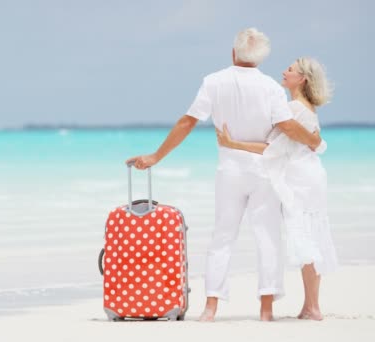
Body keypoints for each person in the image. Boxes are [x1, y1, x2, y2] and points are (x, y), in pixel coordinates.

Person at [126, 27, 323, 321]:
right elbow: (286, 126)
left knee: (222, 237)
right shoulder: (270, 86)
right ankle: (266, 310)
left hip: (229, 171)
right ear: (260, 57)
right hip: (265, 172)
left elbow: (187, 121)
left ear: (233, 52)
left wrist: (156, 155)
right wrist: (314, 141)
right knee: (267, 237)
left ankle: (211, 307)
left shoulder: (214, 81)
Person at [215, 57, 338, 321]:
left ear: (302, 79)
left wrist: (232, 143)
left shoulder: (293, 108)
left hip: (302, 181)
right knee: (311, 237)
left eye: (290, 70)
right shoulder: (305, 107)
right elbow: (309, 143)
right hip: (310, 176)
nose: (284, 71)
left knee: (306, 239)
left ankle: (313, 307)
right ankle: (310, 306)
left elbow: (272, 149)